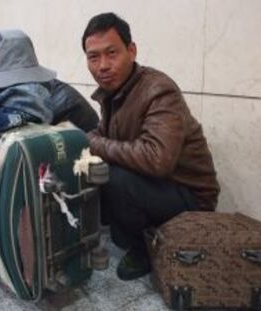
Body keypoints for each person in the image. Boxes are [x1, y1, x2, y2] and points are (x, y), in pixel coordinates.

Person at [82, 13, 220, 280]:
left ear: (131, 51)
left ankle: (144, 251)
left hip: (191, 197)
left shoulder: (158, 90)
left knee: (114, 176)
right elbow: (103, 134)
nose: (103, 66)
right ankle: (130, 232)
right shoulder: (114, 92)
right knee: (93, 167)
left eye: (112, 53)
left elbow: (158, 159)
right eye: (93, 57)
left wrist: (96, 144)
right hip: (158, 186)